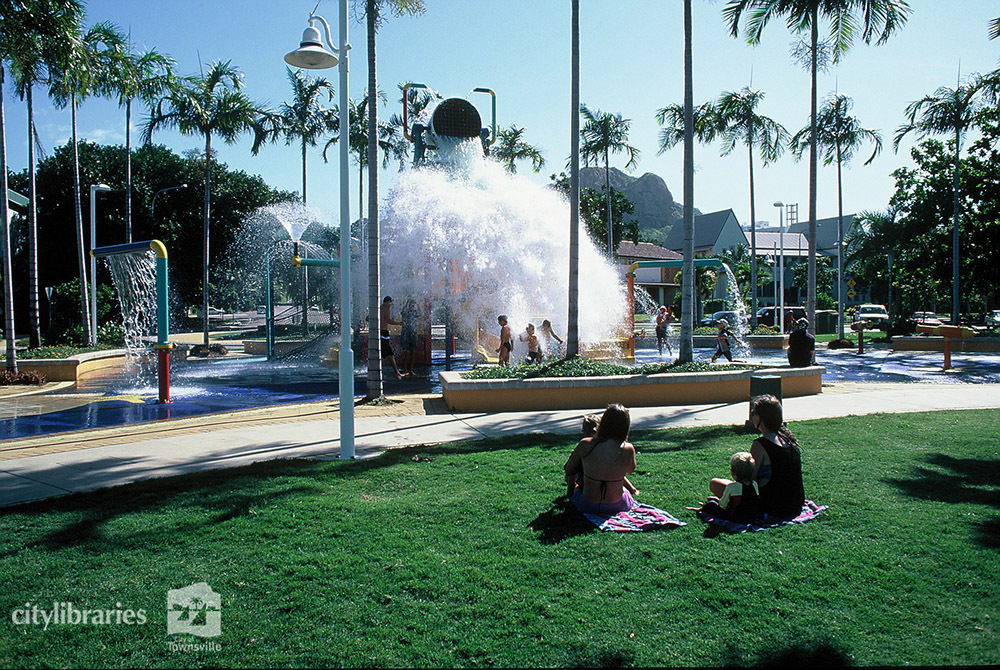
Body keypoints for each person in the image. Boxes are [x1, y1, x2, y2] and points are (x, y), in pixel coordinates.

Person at [711, 394, 804, 519]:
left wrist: (728, 497)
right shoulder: (788, 440)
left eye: (754, 412)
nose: (752, 416)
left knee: (715, 484)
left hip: (771, 506)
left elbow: (748, 483)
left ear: (761, 418)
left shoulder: (760, 445)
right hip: (795, 505)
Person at [563, 404, 638, 515]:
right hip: (616, 506)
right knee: (625, 492)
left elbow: (569, 470)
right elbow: (630, 470)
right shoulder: (627, 448)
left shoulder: (585, 444)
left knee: (578, 488)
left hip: (587, 505)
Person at [696, 452, 760, 523]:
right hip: (751, 516)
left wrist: (717, 501)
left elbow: (723, 506)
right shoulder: (754, 484)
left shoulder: (732, 487)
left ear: (732, 473)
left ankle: (703, 509)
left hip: (734, 517)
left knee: (711, 504)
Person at [379, 296, 404, 379]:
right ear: (387, 302)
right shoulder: (386, 308)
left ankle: (397, 373)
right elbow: (388, 320)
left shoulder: (378, 308)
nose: (391, 304)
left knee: (385, 355)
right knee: (390, 355)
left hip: (379, 332)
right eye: (390, 302)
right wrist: (399, 323)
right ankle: (396, 373)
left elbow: (367, 318)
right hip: (384, 333)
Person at [399, 298, 420, 377]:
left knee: (412, 352)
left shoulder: (415, 312)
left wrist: (417, 304)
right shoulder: (405, 312)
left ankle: (411, 369)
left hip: (413, 333)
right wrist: (407, 303)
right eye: (411, 304)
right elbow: (403, 311)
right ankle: (405, 369)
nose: (412, 306)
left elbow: (420, 313)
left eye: (413, 305)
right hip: (406, 333)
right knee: (406, 352)